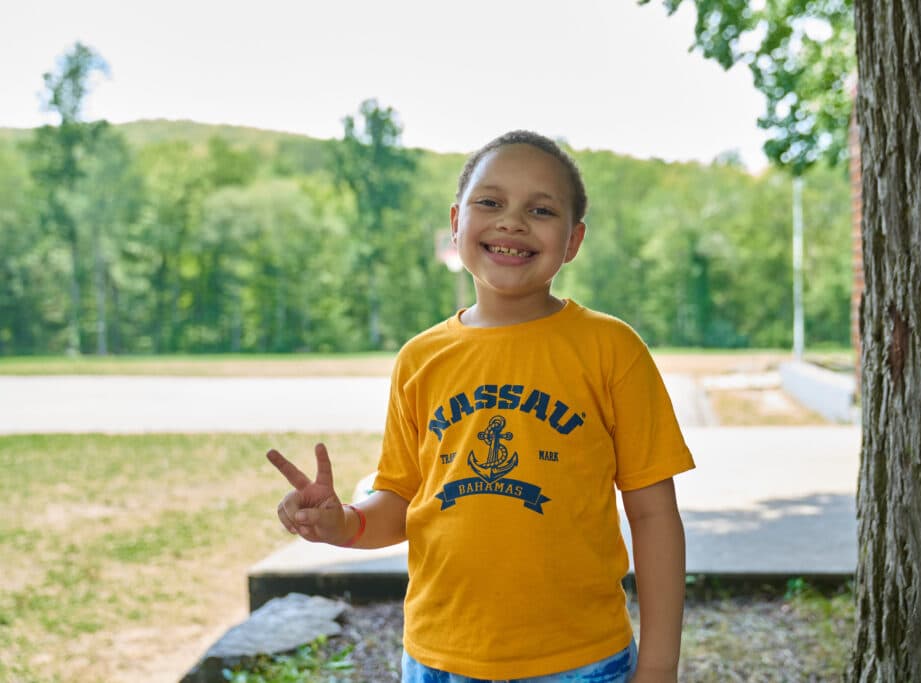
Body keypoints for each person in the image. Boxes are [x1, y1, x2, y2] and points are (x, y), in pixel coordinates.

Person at [268, 130, 695, 682]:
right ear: (455, 222)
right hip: (438, 660)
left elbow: (654, 515)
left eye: (541, 210)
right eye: (490, 202)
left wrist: (659, 666)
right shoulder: (420, 358)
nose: (512, 222)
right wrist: (341, 523)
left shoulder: (611, 349)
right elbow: (401, 500)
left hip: (580, 662)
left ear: (573, 241)